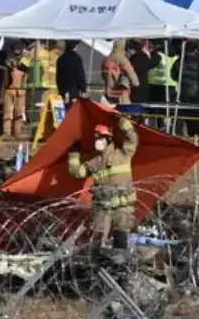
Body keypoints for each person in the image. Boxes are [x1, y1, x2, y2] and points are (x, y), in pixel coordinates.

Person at [67, 114, 141, 249]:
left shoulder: (123, 154)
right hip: (102, 206)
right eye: (96, 138)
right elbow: (78, 173)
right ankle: (96, 263)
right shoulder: (95, 161)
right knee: (97, 237)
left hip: (123, 205)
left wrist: (123, 123)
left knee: (121, 236)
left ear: (108, 139)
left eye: (100, 138)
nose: (97, 141)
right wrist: (74, 154)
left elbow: (132, 139)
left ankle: (119, 264)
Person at [0, 45, 29, 139]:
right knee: (10, 114)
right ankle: (10, 133)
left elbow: (5, 81)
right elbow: (6, 81)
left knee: (17, 114)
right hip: (14, 91)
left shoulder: (15, 65)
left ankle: (14, 133)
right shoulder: (10, 65)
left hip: (17, 92)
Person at [101, 41, 137, 107]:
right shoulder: (121, 58)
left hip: (108, 91)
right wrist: (136, 83)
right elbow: (131, 73)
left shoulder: (106, 59)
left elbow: (102, 75)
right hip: (119, 91)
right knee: (123, 112)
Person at [55, 40, 89, 109]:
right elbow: (80, 75)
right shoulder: (77, 58)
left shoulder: (60, 59)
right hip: (74, 91)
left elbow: (58, 77)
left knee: (65, 110)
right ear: (75, 46)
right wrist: (83, 89)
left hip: (64, 90)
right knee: (74, 111)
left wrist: (60, 90)